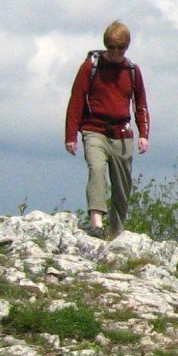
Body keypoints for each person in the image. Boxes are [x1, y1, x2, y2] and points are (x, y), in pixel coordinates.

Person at [64, 21, 150, 239]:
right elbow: (76, 101)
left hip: (122, 133)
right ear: (106, 46)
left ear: (127, 47)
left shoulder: (132, 71)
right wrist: (71, 135)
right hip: (94, 130)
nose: (116, 53)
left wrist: (144, 135)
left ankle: (116, 230)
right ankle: (97, 223)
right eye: (112, 48)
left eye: (121, 48)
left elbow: (140, 104)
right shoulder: (90, 68)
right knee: (97, 170)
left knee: (122, 185)